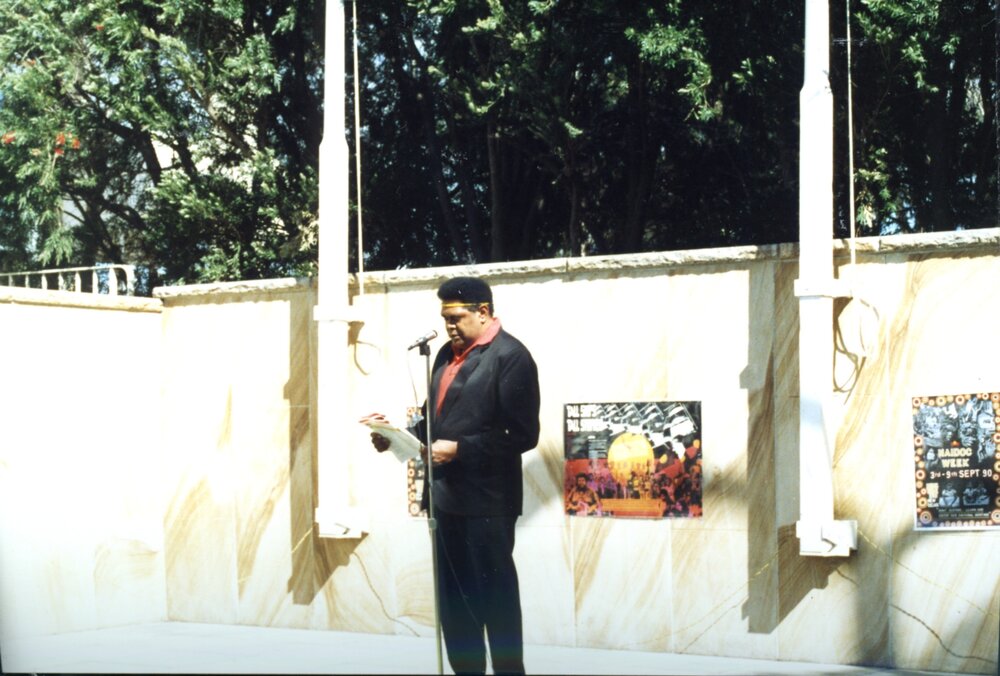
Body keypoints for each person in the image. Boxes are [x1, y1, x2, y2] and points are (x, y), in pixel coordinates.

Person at [369, 276, 540, 676]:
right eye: (444, 316)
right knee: (455, 603)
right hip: (445, 499)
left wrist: (462, 449)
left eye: (457, 316)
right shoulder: (446, 354)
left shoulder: (511, 356)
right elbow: (435, 420)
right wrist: (397, 437)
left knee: (493, 599)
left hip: (488, 502)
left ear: (484, 312)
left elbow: (523, 434)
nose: (449, 325)